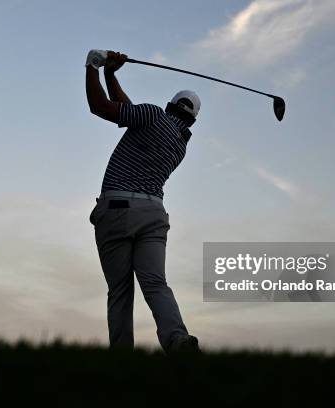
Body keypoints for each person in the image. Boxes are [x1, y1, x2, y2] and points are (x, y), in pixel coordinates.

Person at [85, 49, 200, 353]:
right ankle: (177, 340)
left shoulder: (151, 116)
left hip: (118, 210)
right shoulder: (179, 145)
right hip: (153, 215)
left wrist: (93, 65)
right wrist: (111, 74)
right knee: (155, 284)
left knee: (121, 291)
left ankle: (122, 358)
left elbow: (101, 107)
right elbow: (128, 110)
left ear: (170, 106)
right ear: (191, 120)